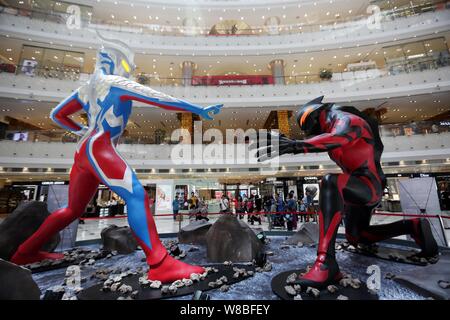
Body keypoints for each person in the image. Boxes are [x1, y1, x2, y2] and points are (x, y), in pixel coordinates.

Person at [10, 34, 223, 283]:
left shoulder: (85, 90)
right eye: (128, 66)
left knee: (71, 210)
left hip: (83, 151)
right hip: (100, 148)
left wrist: (82, 132)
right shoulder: (116, 82)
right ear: (118, 63)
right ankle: (160, 263)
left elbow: (57, 115)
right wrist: (197, 109)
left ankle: (25, 252)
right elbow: (158, 99)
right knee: (136, 195)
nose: (130, 70)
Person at [253, 95, 438, 288]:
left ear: (316, 115)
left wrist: (295, 145)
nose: (309, 132)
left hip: (368, 184)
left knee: (330, 182)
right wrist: (295, 144)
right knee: (358, 236)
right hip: (355, 186)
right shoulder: (334, 125)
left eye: (308, 126)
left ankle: (325, 263)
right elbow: (330, 140)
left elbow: (338, 138)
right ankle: (413, 226)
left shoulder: (346, 120)